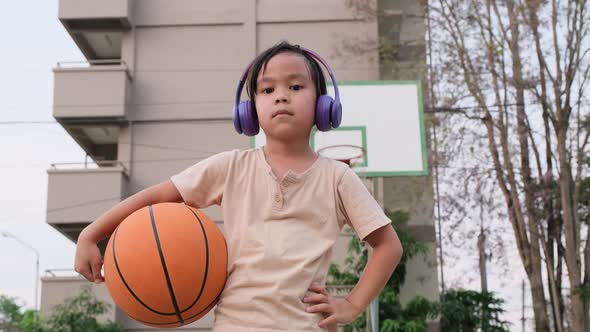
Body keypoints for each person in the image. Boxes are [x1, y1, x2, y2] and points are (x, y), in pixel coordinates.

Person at [74, 41, 403, 331]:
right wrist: (92, 234)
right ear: (249, 111)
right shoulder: (230, 167)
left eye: (296, 87)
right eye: (267, 90)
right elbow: (157, 197)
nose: (282, 96)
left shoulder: (338, 178)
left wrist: (352, 305)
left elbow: (388, 246)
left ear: (323, 106)